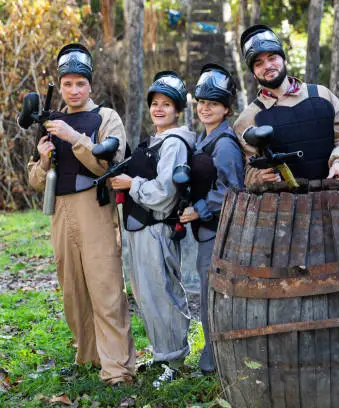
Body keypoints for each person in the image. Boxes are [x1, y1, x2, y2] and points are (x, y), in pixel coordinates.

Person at [27, 43, 135, 386]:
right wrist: (43, 160)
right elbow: (33, 178)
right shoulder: (50, 122)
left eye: (80, 83)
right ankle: (88, 356)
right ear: (60, 86)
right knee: (72, 291)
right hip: (61, 212)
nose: (74, 90)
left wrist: (75, 137)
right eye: (68, 83)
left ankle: (118, 370)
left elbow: (110, 163)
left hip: (96, 207)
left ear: (91, 85)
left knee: (105, 289)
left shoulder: (106, 118)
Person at [110, 71, 196, 388]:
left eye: (166, 105)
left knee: (163, 294)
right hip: (140, 229)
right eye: (155, 104)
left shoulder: (174, 144)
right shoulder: (154, 141)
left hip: (157, 228)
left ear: (177, 110)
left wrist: (132, 184)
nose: (159, 109)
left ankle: (175, 361)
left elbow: (164, 194)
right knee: (147, 294)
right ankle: (163, 354)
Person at [179, 64, 244, 375]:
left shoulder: (225, 143)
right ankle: (214, 354)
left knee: (213, 295)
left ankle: (216, 359)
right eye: (202, 103)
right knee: (208, 293)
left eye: (213, 104)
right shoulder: (204, 139)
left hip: (219, 232)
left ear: (226, 109)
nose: (205, 109)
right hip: (206, 231)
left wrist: (199, 209)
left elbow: (232, 189)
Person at [233, 24, 339, 186]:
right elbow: (248, 170)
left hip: (332, 197)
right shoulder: (247, 119)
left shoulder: (322, 95)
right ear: (254, 74)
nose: (267, 66)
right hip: (282, 206)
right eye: (259, 63)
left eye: (272, 58)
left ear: (284, 59)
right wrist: (260, 177)